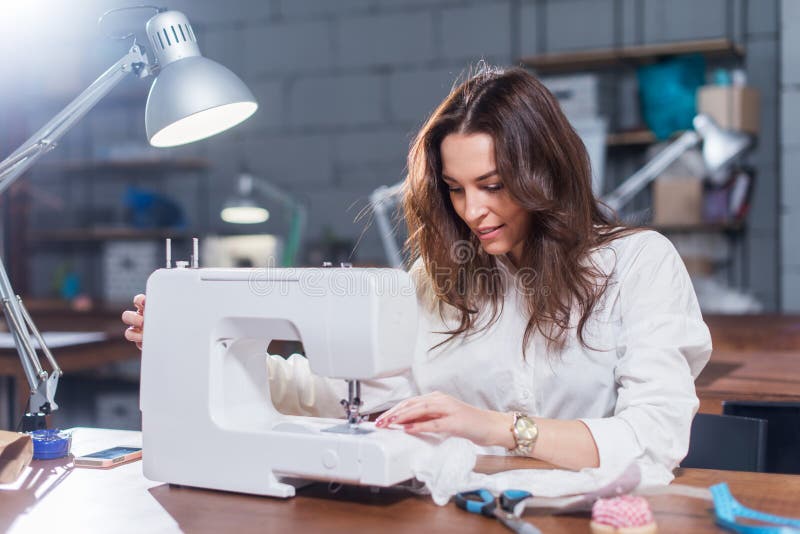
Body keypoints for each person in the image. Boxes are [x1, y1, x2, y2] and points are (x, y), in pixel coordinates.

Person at [122, 65, 711, 478]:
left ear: (547, 174)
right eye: (454, 189)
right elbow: (335, 392)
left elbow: (654, 441)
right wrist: (202, 352)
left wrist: (497, 427)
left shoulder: (637, 264)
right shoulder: (443, 279)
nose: (471, 210)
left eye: (494, 186)